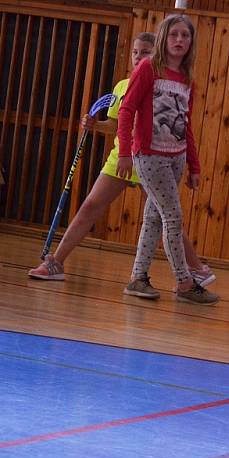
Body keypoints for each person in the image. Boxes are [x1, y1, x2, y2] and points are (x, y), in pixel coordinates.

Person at [28, 32, 215, 289]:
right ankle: (56, 263)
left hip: (149, 157)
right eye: (136, 52)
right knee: (90, 206)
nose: (139, 57)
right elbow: (116, 126)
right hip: (121, 156)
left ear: (157, 53)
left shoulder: (158, 81)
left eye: (146, 52)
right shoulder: (121, 85)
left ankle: (197, 269)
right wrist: (94, 125)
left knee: (165, 215)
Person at [116, 15, 218, 305]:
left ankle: (138, 277)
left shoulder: (186, 79)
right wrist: (125, 152)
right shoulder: (149, 68)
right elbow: (127, 111)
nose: (179, 41)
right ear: (164, 38)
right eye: (174, 34)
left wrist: (194, 166)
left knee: (154, 219)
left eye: (185, 36)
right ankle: (185, 281)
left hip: (176, 158)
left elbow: (186, 125)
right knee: (173, 217)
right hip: (149, 156)